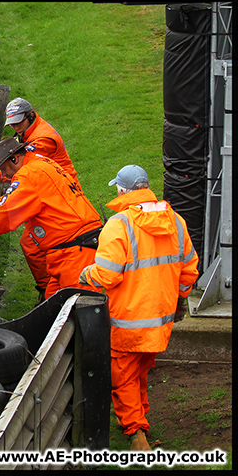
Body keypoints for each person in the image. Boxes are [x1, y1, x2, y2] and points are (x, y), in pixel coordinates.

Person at [78, 164, 199, 451]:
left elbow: (107, 274)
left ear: (121, 190)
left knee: (124, 375)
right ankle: (139, 418)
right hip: (161, 319)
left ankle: (136, 433)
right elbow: (189, 271)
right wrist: (179, 300)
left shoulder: (118, 225)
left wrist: (87, 274)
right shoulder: (176, 221)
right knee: (141, 370)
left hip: (128, 320)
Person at [0, 137, 103, 300]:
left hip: (75, 252)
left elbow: (6, 215)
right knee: (53, 305)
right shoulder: (40, 164)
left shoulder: (30, 174)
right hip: (68, 248)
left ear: (15, 159)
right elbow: (10, 200)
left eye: (4, 170)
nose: (3, 176)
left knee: (84, 310)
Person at [0, 97, 78, 301]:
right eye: (12, 123)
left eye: (19, 122)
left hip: (57, 192)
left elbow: (19, 163)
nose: (15, 127)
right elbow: (15, 153)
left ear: (30, 116)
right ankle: (47, 289)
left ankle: (48, 290)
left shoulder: (42, 140)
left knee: (35, 242)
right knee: (31, 242)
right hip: (49, 186)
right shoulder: (30, 130)